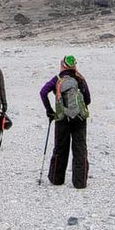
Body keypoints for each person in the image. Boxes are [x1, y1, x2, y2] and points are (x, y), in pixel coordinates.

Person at [39, 55, 91, 188]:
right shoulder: (79, 78)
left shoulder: (57, 79)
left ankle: (57, 179)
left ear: (62, 65)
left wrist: (49, 110)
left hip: (62, 118)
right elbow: (88, 99)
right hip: (79, 119)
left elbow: (43, 92)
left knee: (60, 148)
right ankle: (80, 183)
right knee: (80, 149)